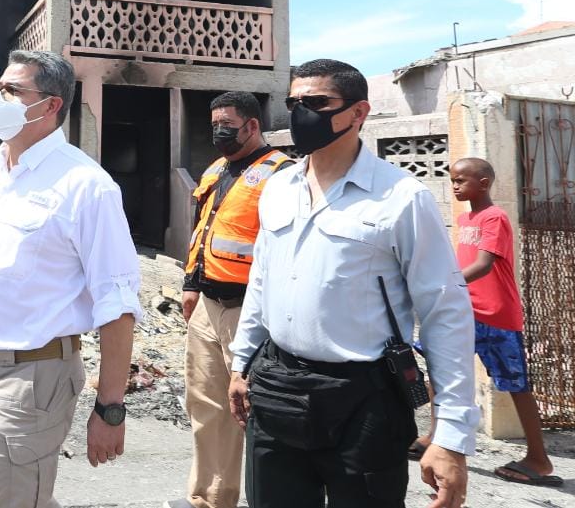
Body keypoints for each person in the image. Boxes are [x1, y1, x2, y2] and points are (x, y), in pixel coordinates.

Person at [228, 59, 478, 508]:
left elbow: (445, 310)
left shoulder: (402, 197)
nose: (303, 113)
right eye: (294, 103)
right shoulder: (279, 188)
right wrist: (240, 363)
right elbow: (262, 281)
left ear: (359, 113)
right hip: (276, 387)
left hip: (364, 402)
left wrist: (452, 435)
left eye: (318, 103)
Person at [0, 49, 143, 508]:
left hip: (35, 376)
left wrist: (110, 408)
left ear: (50, 105)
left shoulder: (86, 186)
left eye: (12, 90)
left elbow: (117, 301)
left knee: (0, 500)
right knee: (13, 494)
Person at [166, 92, 292, 508]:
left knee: (259, 411)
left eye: (227, 124)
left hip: (250, 313)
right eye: (214, 123)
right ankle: (209, 499)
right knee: (206, 407)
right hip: (208, 304)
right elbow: (202, 230)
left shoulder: (282, 175)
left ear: (252, 126)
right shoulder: (217, 169)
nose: (218, 131)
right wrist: (191, 283)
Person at [410, 158, 561, 487]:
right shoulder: (466, 218)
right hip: (466, 311)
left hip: (496, 316)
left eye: (461, 180)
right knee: (439, 370)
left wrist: (443, 283)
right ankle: (435, 435)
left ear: (484, 183)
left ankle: (539, 458)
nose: (454, 186)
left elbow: (482, 265)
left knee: (516, 385)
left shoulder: (495, 217)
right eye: (452, 180)